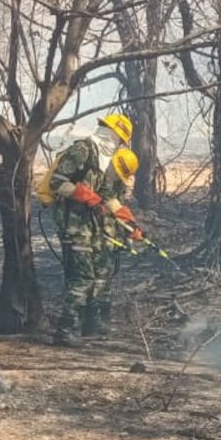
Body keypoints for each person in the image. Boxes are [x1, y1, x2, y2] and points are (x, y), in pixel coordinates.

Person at [45, 113, 141, 347]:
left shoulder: (109, 160)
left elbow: (109, 198)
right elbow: (56, 182)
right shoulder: (83, 151)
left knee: (102, 276)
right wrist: (86, 197)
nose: (118, 142)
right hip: (76, 227)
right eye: (119, 138)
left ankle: (93, 329)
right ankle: (66, 331)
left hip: (99, 230)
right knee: (81, 279)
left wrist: (130, 224)